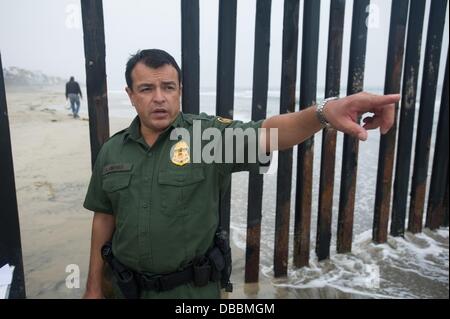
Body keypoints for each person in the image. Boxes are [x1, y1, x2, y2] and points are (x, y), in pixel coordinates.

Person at [83, 49, 400, 299]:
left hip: (190, 294)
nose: (159, 98)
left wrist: (323, 113)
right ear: (130, 94)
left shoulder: (207, 139)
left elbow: (270, 133)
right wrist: (93, 287)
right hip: (123, 290)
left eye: (168, 87)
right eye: (146, 89)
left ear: (179, 90)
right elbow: (104, 218)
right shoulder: (113, 151)